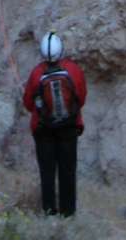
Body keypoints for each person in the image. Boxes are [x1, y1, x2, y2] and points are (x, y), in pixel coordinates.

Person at [22, 31, 87, 217]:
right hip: (69, 127)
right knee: (68, 171)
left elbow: (28, 103)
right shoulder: (73, 70)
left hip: (43, 129)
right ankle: (68, 213)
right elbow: (81, 98)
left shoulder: (36, 74)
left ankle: (49, 213)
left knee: (47, 173)